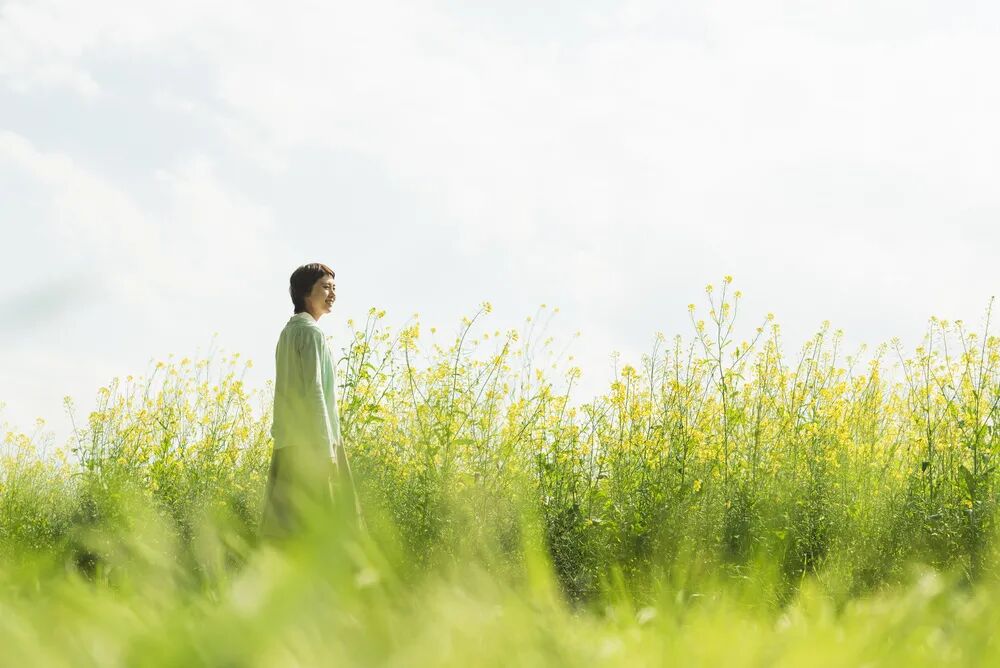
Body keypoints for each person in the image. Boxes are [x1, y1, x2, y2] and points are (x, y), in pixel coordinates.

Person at [259, 262, 363, 541]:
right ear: (306, 292)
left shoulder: (287, 333)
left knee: (285, 529)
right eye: (325, 287)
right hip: (315, 443)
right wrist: (326, 450)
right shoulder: (311, 333)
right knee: (328, 527)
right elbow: (315, 391)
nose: (332, 294)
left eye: (334, 288)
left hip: (288, 444)